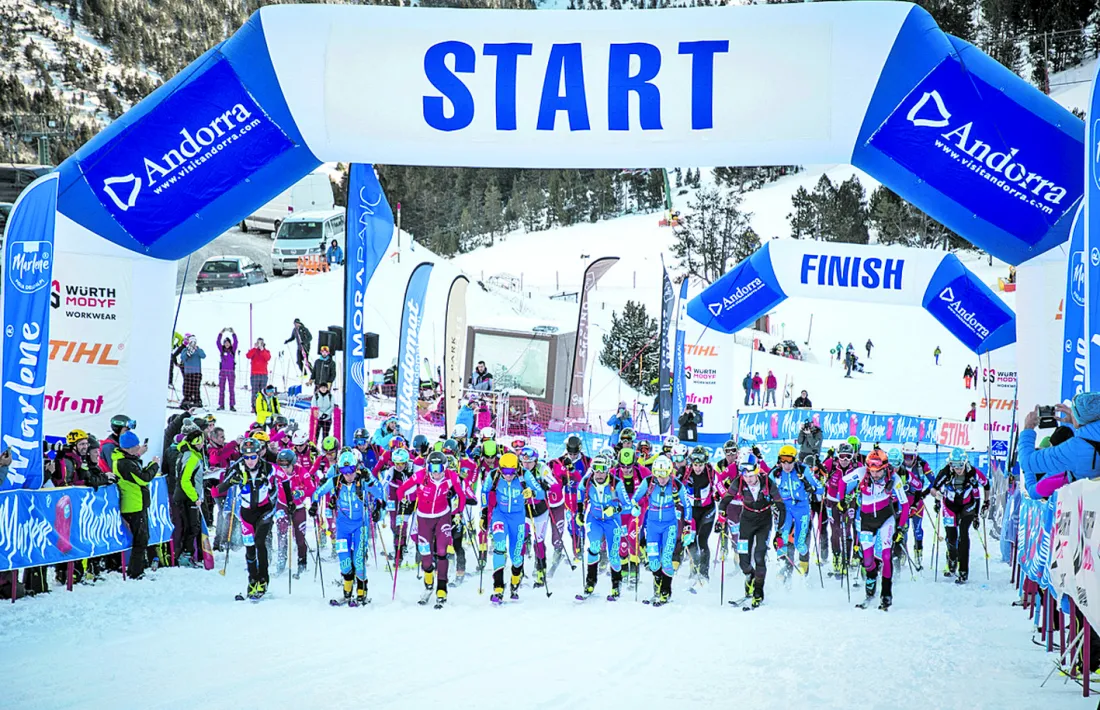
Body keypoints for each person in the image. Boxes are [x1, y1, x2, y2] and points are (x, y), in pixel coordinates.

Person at [313, 450, 386, 606]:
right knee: (345, 562)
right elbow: (318, 492)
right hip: (342, 528)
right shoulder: (336, 481)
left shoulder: (363, 481)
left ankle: (361, 592)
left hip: (361, 526)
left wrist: (371, 482)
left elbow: (380, 493)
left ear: (356, 468)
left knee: (358, 561)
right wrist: (313, 504)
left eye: (351, 470)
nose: (348, 475)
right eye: (344, 471)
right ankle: (347, 593)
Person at [396, 450, 467, 606]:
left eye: (439, 469)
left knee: (442, 551)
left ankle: (441, 588)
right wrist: (404, 501)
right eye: (432, 469)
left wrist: (458, 513)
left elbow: (462, 496)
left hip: (443, 517)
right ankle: (428, 584)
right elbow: (401, 490)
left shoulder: (451, 476)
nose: (436, 473)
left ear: (445, 467)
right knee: (426, 557)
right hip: (423, 519)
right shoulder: (421, 475)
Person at [842, 449, 908, 609]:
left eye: (878, 471)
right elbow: (842, 482)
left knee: (886, 555)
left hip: (886, 519)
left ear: (885, 467)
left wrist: (900, 529)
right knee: (868, 561)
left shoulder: (894, 477)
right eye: (872, 471)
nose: (875, 475)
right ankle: (870, 591)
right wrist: (843, 499)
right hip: (866, 521)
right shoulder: (861, 472)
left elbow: (905, 505)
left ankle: (886, 594)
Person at [718, 453, 784, 609]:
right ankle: (751, 576)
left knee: (759, 555)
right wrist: (721, 514)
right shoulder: (739, 482)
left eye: (751, 474)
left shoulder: (767, 482)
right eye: (744, 473)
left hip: (764, 522)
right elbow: (726, 499)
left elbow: (781, 506)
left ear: (757, 470)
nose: (747, 477)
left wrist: (779, 533)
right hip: (746, 521)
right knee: (743, 560)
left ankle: (758, 592)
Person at [481, 452, 545, 604]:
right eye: (505, 472)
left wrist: (533, 492)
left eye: (512, 471)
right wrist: (484, 514)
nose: (508, 475)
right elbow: (484, 493)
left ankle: (515, 582)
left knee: (516, 557)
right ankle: (498, 588)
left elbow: (541, 494)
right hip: (500, 515)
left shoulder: (525, 475)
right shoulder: (493, 475)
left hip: (518, 518)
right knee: (500, 547)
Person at [632, 455, 693, 606]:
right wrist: (635, 507)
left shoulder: (676, 485)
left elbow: (687, 505)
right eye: (659, 475)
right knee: (653, 561)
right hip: (652, 526)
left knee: (666, 559)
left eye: (665, 475)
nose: (662, 479)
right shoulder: (648, 482)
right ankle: (658, 584)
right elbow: (635, 498)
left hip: (669, 526)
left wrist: (687, 526)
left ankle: (666, 590)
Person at [219, 438, 275, 600]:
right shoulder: (237, 467)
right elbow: (222, 487)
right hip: (246, 513)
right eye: (246, 457)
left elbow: (278, 486)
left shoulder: (267, 467)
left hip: (264, 511)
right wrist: (232, 481)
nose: (250, 460)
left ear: (259, 455)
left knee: (259, 542)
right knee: (249, 548)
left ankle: (263, 579)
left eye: (253, 457)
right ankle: (252, 579)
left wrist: (278, 507)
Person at [575, 453, 629, 600]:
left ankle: (616, 584)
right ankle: (590, 582)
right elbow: (579, 494)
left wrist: (615, 509)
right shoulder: (587, 482)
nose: (599, 473)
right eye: (596, 469)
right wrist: (579, 513)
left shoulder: (616, 483)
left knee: (613, 554)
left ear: (608, 470)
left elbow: (628, 506)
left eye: (602, 469)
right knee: (593, 547)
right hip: (595, 519)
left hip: (613, 521)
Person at [931, 447, 989, 584]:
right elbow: (933, 488)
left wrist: (986, 503)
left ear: (965, 463)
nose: (957, 469)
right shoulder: (945, 472)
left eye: (960, 465)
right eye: (954, 465)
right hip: (950, 505)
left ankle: (963, 570)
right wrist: (937, 495)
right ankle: (952, 560)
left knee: (963, 535)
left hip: (968, 506)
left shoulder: (973, 472)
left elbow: (986, 484)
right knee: (951, 537)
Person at [113, 431, 160, 580]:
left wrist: (139, 456)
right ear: (128, 448)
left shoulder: (127, 459)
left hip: (138, 503)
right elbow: (143, 478)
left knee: (143, 538)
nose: (138, 447)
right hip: (133, 505)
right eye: (136, 446)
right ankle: (135, 572)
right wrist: (154, 465)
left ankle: (138, 568)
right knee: (140, 540)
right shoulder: (124, 463)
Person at [1019, 395, 1100, 482]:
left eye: (1073, 412)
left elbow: (1027, 462)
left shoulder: (1074, 449)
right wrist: (1078, 422)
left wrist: (1028, 427)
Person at [771, 444, 823, 576]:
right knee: (782, 538)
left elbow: (821, 487)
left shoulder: (803, 470)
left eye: (789, 460)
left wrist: (812, 489)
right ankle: (782, 569)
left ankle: (803, 570)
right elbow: (764, 487)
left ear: (795, 460)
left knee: (800, 544)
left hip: (802, 508)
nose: (786, 465)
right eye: (783, 460)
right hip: (785, 508)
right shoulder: (776, 472)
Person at [894, 444, 933, 569]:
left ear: (915, 456)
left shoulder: (922, 465)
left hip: (917, 500)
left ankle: (918, 553)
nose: (907, 460)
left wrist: (924, 493)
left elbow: (934, 481)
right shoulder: (898, 465)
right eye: (905, 456)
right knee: (903, 529)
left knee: (917, 530)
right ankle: (902, 554)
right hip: (903, 501)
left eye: (910, 457)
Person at [682, 446, 718, 581]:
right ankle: (693, 570)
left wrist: (722, 497)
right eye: (695, 465)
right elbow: (674, 484)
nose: (697, 468)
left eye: (700, 465)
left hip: (707, 510)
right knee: (690, 541)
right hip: (691, 511)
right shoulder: (685, 472)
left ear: (705, 463)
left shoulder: (711, 472)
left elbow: (722, 487)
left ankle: (704, 574)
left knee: (702, 540)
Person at [174, 422, 207, 568]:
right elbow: (184, 480)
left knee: (191, 526)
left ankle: (187, 554)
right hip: (188, 497)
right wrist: (195, 497)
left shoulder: (187, 454)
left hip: (187, 495)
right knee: (192, 527)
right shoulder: (192, 457)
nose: (203, 445)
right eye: (201, 442)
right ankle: (186, 555)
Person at [179, 334, 206, 409]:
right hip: (188, 372)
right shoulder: (185, 350)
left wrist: (197, 349)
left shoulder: (198, 350)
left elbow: (203, 356)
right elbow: (183, 358)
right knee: (187, 387)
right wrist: (188, 353)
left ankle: (197, 400)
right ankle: (187, 399)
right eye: (191, 342)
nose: (193, 344)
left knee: (196, 387)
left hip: (196, 372)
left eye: (194, 342)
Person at [246, 338, 271, 414]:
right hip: (254, 374)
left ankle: (262, 406)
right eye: (258, 342)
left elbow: (268, 358)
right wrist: (254, 348)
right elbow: (248, 356)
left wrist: (262, 349)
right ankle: (254, 406)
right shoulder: (253, 351)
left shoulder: (266, 351)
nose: (259, 344)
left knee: (263, 392)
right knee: (255, 392)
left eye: (261, 342)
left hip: (263, 374)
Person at [216, 328, 238, 412]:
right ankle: (221, 405)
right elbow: (217, 342)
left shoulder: (232, 350)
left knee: (231, 389)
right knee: (221, 389)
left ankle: (232, 405)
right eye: (225, 343)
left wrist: (233, 333)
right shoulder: (222, 350)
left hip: (231, 372)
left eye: (228, 342)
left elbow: (236, 342)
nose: (227, 344)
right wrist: (221, 333)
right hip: (222, 372)